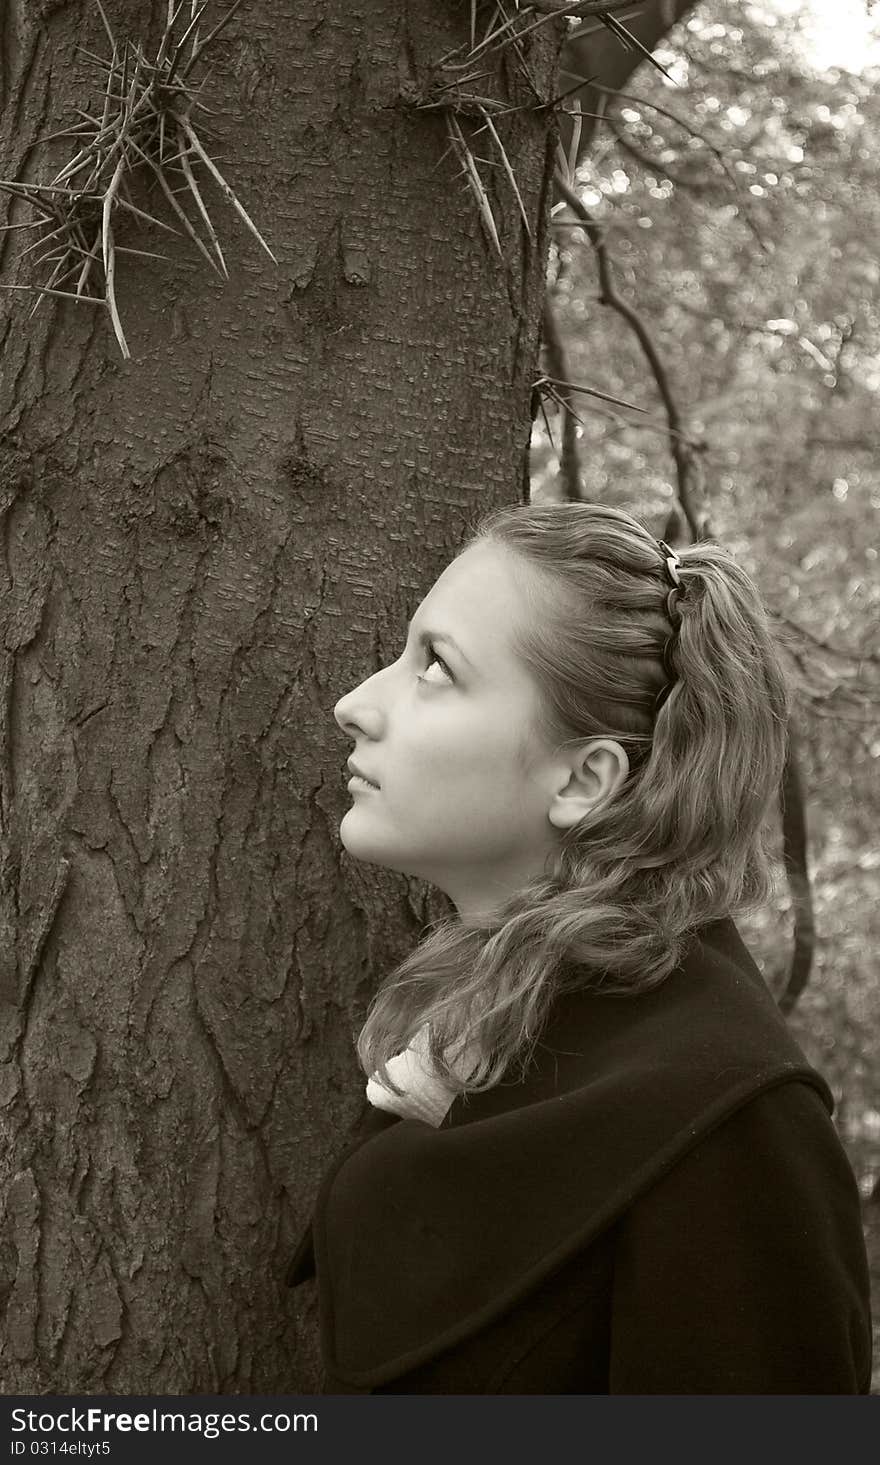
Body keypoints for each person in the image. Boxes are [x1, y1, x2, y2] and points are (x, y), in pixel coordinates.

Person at [286, 501, 872, 1394]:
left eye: (436, 666)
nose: (355, 704)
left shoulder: (731, 1128)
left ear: (584, 778)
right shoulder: (501, 1023)